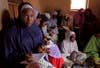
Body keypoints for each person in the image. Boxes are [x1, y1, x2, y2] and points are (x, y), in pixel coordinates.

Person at [1, 2, 44, 68]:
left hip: (39, 60)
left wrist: (40, 47)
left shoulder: (36, 28)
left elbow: (40, 40)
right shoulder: (12, 33)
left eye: (32, 16)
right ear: (20, 16)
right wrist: (23, 57)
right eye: (26, 16)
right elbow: (8, 55)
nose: (29, 19)